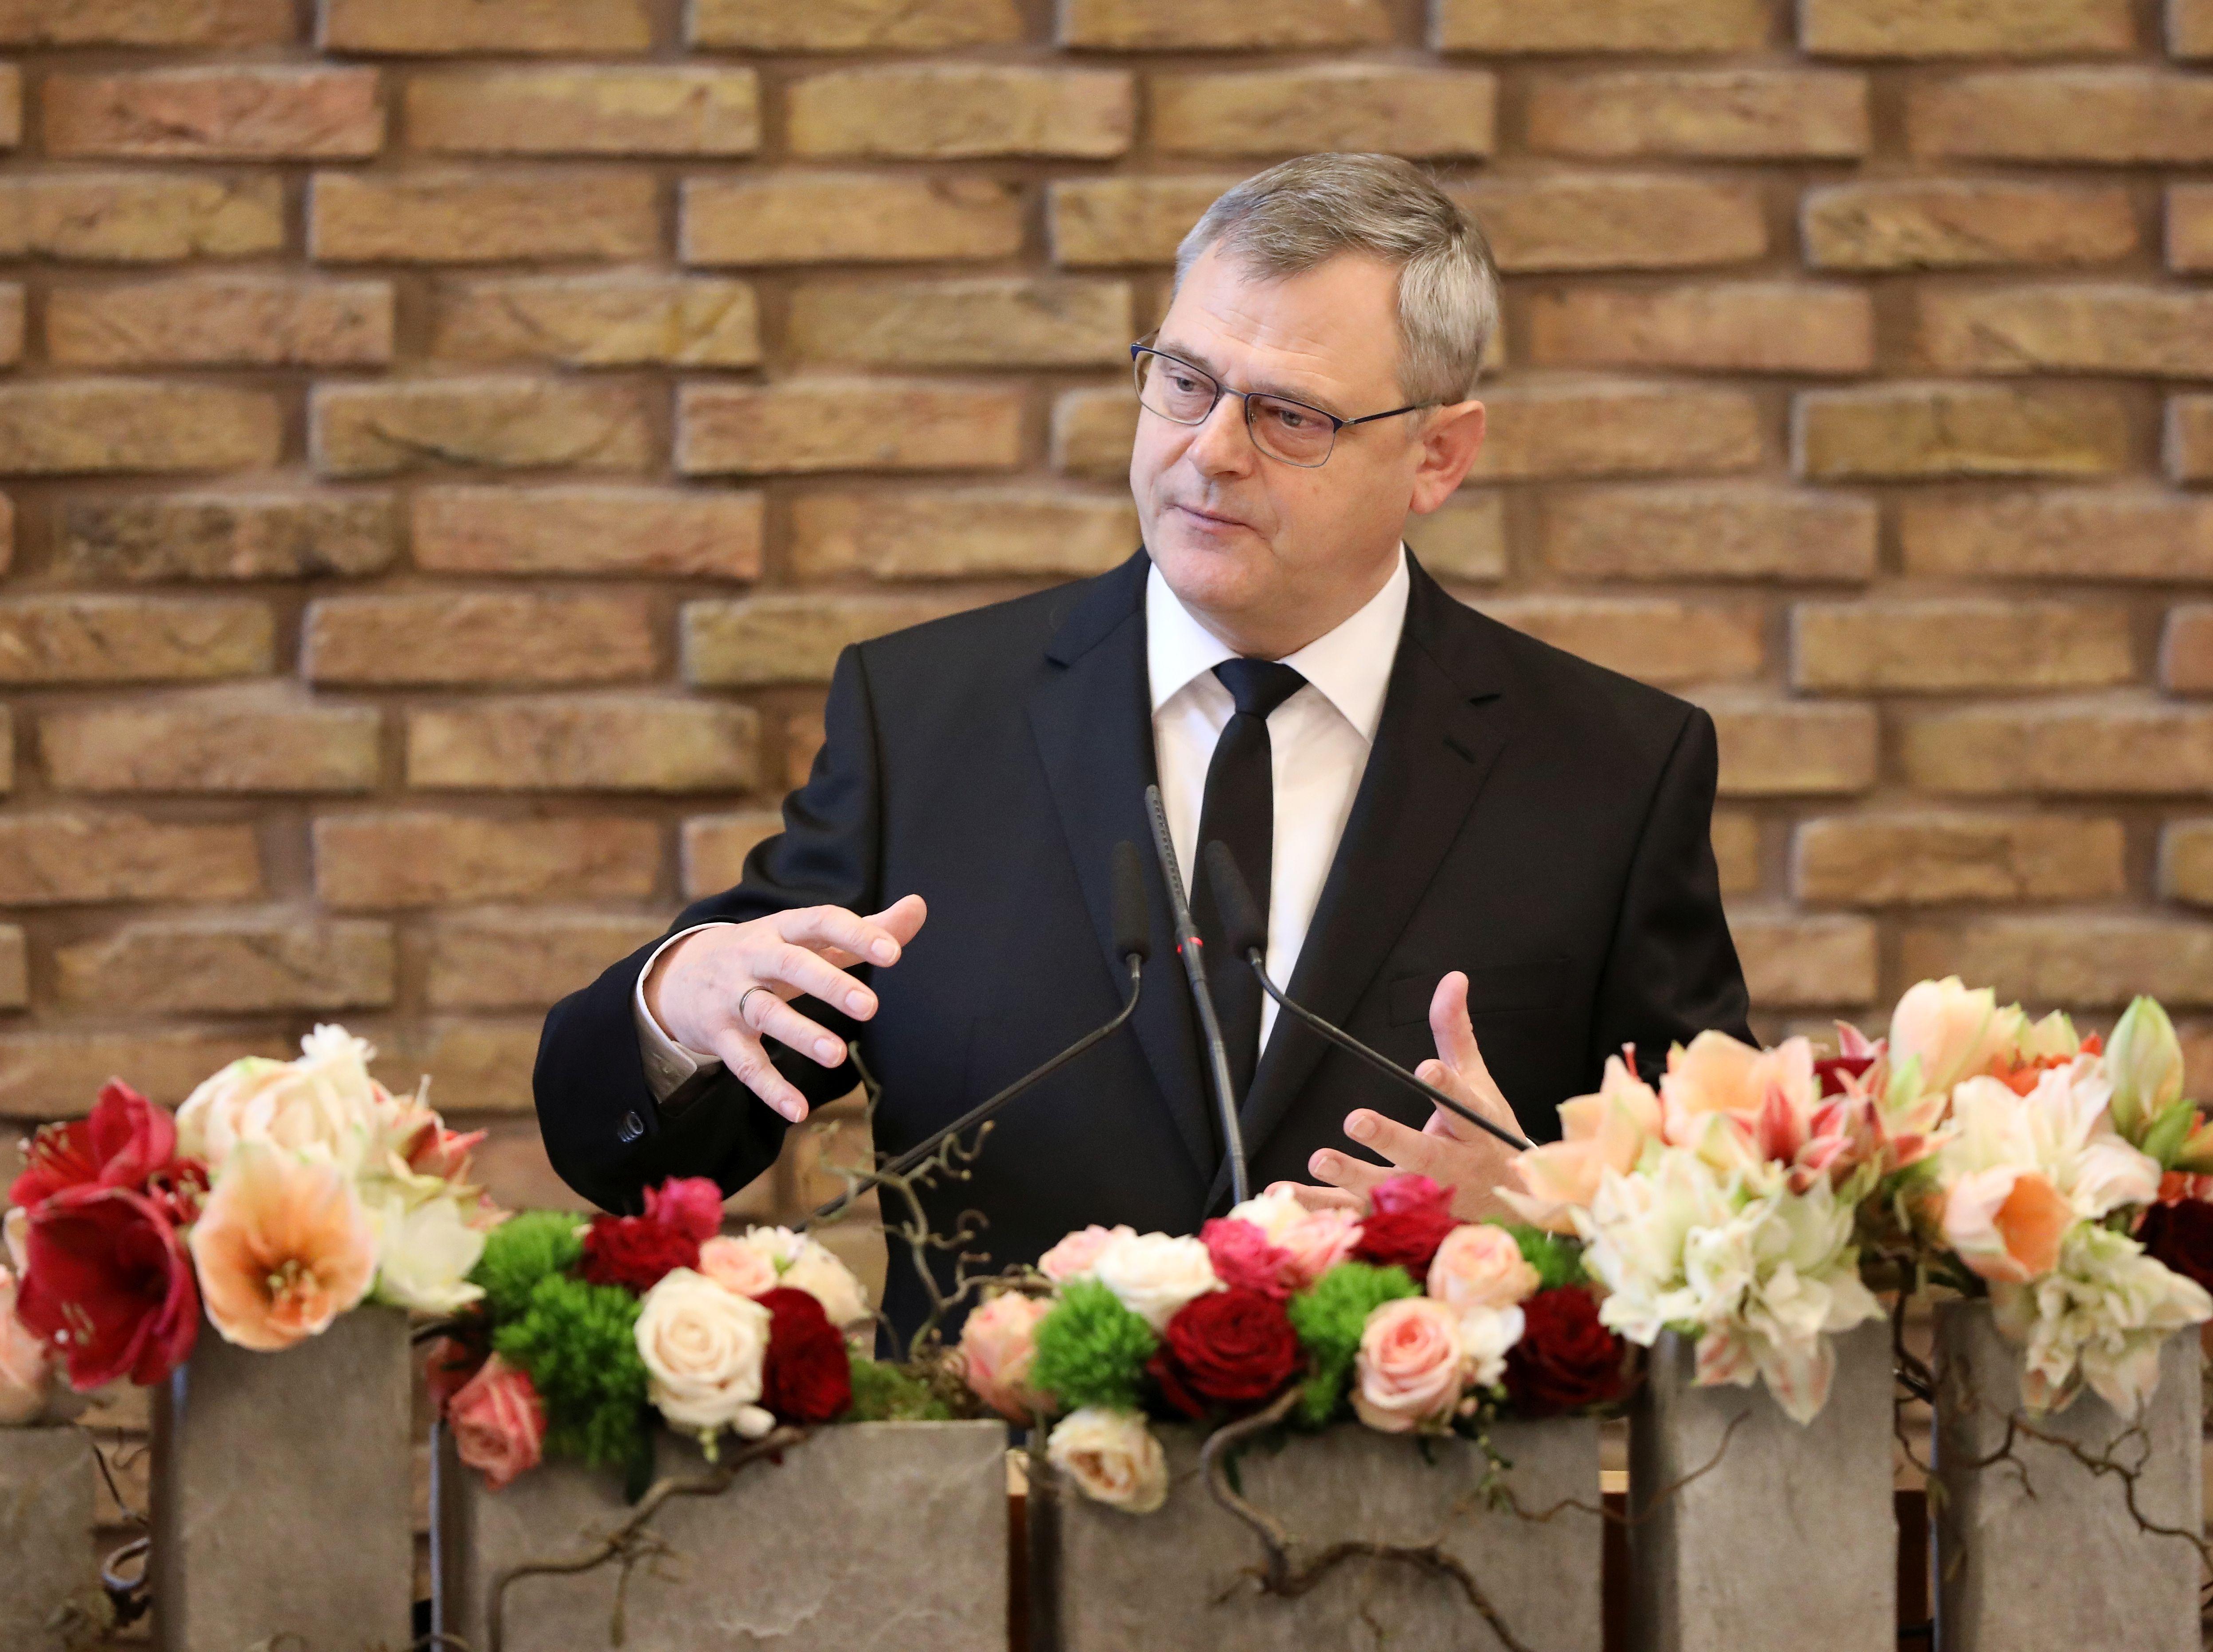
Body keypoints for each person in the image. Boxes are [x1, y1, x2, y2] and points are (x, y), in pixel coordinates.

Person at [534, 152, 1750, 1339]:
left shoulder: (1610, 772)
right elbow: (641, 1155)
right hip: (1003, 1462)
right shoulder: (926, 719)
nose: (1210, 449)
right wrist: (676, 1006)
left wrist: (1555, 1213)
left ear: (1437, 455)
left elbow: (1734, 1224)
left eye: (1289, 415)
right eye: (1183, 380)